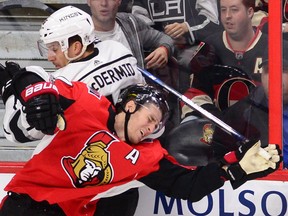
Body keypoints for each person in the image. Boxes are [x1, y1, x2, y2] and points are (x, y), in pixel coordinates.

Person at [0, 63, 281, 216]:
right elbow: (33, 76)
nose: (152, 127)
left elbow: (189, 186)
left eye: (158, 124)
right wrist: (36, 95)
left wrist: (238, 168)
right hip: (22, 205)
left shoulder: (147, 157)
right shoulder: (87, 104)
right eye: (150, 118)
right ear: (131, 106)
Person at [1, 5, 145, 216]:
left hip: (86, 188)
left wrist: (13, 91)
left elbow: (17, 132)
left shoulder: (66, 82)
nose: (50, 56)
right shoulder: (119, 51)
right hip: (126, 185)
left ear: (76, 46)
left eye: (54, 49)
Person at [87, 0, 175, 70]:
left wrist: (164, 49)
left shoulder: (130, 23)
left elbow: (164, 39)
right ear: (89, 1)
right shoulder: (80, 35)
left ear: (119, 1)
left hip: (139, 88)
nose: (104, 3)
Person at [132, 0, 222, 46]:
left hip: (191, 47)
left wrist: (186, 27)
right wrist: (160, 39)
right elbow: (139, 24)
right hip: (156, 48)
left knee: (186, 61)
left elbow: (212, 19)